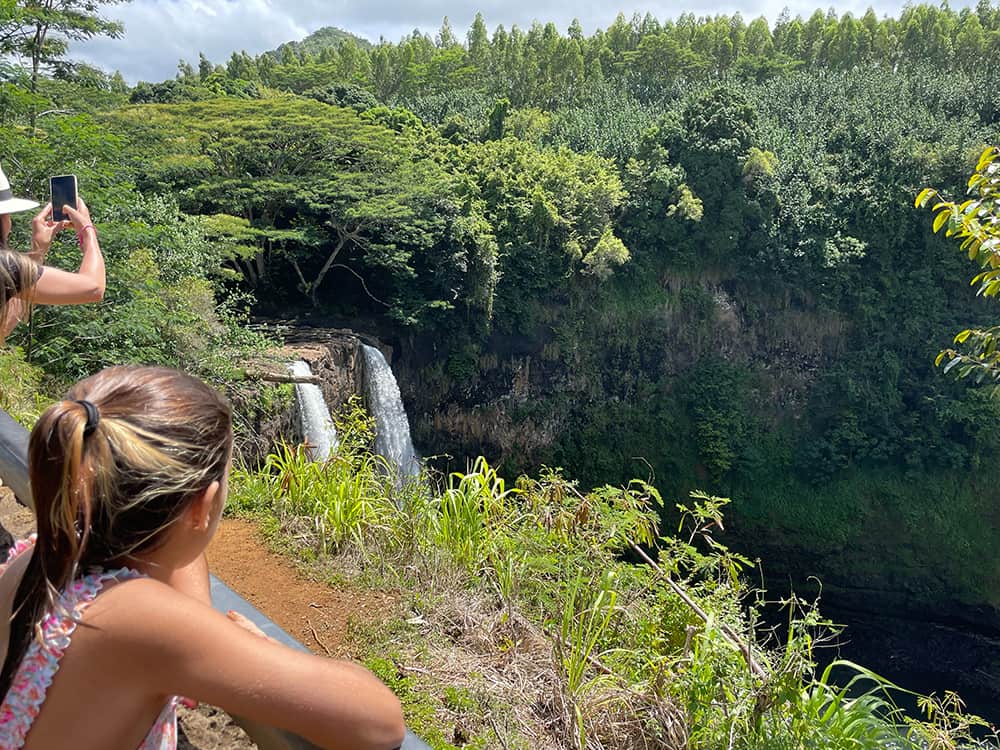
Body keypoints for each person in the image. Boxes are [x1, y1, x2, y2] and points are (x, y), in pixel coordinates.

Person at [0, 365, 405, 750]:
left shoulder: (40, 558)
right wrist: (264, 649)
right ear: (204, 506)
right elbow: (380, 721)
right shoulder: (139, 622)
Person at [0, 162, 106, 340]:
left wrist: (38, 252)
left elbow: (2, 328)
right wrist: (87, 230)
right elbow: (93, 288)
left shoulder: (7, 271)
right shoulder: (5, 265)